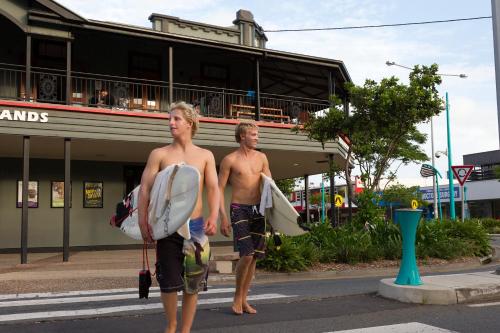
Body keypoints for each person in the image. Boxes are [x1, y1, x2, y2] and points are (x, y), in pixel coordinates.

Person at [138, 101, 219, 333]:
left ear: (190, 123)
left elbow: (213, 188)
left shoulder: (205, 155)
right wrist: (144, 221)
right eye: (169, 119)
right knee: (169, 282)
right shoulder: (159, 154)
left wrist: (213, 215)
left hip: (196, 227)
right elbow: (145, 189)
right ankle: (172, 325)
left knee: (193, 283)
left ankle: (185, 329)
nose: (171, 123)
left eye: (176, 119)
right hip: (167, 226)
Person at [218, 121, 272, 315]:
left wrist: (276, 215)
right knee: (246, 254)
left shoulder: (262, 158)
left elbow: (269, 187)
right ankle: (236, 297)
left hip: (258, 210)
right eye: (253, 134)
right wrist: (223, 217)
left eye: (257, 134)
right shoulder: (229, 160)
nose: (257, 137)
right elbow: (219, 190)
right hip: (238, 208)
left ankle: (244, 299)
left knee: (255, 257)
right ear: (242, 136)